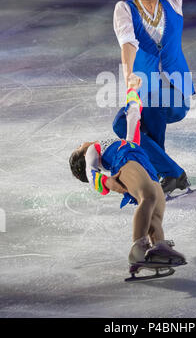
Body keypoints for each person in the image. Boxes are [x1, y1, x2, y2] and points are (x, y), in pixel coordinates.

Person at [113, 0, 195, 195]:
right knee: (124, 124)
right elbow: (128, 43)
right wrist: (128, 76)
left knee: (152, 110)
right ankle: (170, 175)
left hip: (177, 90)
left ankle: (164, 176)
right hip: (146, 90)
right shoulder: (124, 9)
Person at [69, 81, 186, 272]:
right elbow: (92, 175)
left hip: (142, 163)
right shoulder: (93, 150)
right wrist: (106, 181)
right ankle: (137, 251)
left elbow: (133, 115)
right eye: (77, 147)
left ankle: (159, 246)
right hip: (126, 161)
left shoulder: (124, 142)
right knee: (148, 196)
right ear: (81, 155)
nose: (81, 143)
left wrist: (133, 90)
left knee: (156, 206)